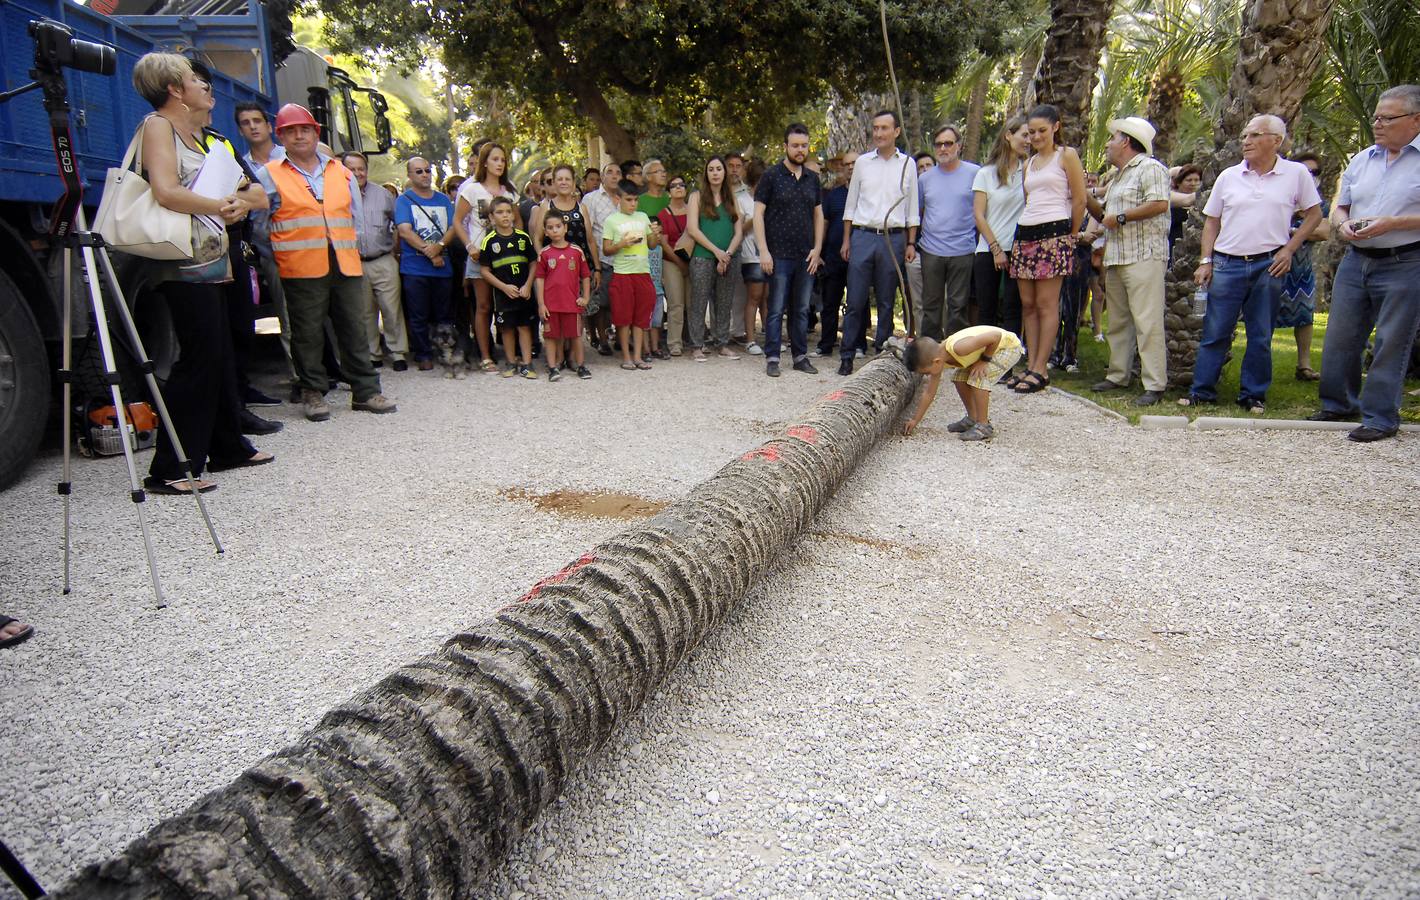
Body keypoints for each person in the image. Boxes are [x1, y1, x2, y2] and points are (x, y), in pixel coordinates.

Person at [134, 53, 272, 494]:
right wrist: (220, 205)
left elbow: (252, 193)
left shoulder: (205, 138)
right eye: (197, 80)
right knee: (198, 358)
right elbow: (166, 190)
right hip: (181, 263)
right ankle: (171, 467)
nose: (207, 88)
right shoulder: (158, 126)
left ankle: (226, 445)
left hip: (213, 260)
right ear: (175, 89)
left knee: (218, 354)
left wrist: (236, 202)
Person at [254, 104, 395, 421]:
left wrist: (352, 252)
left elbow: (355, 221)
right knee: (307, 333)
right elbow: (260, 224)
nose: (299, 135)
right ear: (281, 137)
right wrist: (280, 256)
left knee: (354, 328)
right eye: (291, 131)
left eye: (304, 129)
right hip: (299, 264)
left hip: (344, 262)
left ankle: (366, 391)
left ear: (316, 133)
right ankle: (313, 392)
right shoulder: (270, 174)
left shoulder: (340, 171)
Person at [1181, 114, 1322, 413]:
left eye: (1255, 135)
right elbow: (1211, 222)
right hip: (1227, 263)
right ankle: (1201, 391)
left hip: (1268, 264)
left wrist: (1289, 250)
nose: (1246, 141)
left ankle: (1253, 395)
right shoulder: (1229, 176)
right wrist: (1206, 261)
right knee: (1215, 330)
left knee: (1260, 333)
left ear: (1276, 141)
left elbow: (1314, 215)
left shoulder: (1296, 174)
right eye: (1245, 135)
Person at [1311, 84, 1420, 442]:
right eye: (1376, 116)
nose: (1378, 123)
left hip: (1405, 261)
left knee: (1391, 340)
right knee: (1341, 335)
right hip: (1357, 260)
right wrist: (1342, 222)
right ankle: (1338, 404)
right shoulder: (1362, 159)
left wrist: (1393, 223)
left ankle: (1380, 416)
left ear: (1415, 120)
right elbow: (1341, 204)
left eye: (1387, 118)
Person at [1083, 117, 1172, 406]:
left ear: (1126, 141)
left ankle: (1155, 383)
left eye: (1113, 138)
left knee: (1147, 319)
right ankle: (1118, 374)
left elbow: (1160, 203)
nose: (1108, 144)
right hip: (1118, 256)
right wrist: (1084, 196)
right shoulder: (1119, 176)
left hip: (1145, 254)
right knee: (1118, 320)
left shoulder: (1151, 168)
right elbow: (1104, 216)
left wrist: (1121, 217)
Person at [1009, 104, 1087, 394]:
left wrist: (1072, 234)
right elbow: (1029, 199)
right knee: (1027, 305)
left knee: (1046, 303)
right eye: (1031, 132)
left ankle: (1042, 368)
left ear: (1055, 127)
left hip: (1055, 233)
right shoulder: (1028, 164)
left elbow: (1079, 199)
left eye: (1042, 130)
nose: (1037, 137)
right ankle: (1031, 364)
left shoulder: (1066, 156)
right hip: (1026, 232)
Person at [839, 110, 921, 375]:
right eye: (876, 128)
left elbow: (912, 208)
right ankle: (847, 355)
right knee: (855, 300)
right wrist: (847, 239)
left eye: (885, 128)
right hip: (863, 236)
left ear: (896, 131)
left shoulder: (908, 164)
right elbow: (851, 204)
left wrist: (910, 243)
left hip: (893, 238)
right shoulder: (862, 163)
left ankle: (882, 358)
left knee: (886, 301)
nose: (879, 133)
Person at [754, 122, 826, 377]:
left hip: (805, 255)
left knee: (801, 309)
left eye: (803, 145)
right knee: (775, 308)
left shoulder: (812, 179)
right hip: (778, 255)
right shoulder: (771, 177)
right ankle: (772, 357)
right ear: (785, 146)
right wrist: (763, 250)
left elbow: (818, 215)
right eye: (794, 145)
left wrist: (817, 249)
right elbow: (758, 214)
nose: (799, 150)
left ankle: (800, 356)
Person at [235, 101, 297, 385]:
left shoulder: (292, 156)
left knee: (322, 316)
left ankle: (333, 369)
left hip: (307, 249)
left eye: (257, 121)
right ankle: (301, 378)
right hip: (271, 253)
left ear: (269, 126)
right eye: (246, 123)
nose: (253, 126)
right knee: (287, 319)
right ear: (240, 130)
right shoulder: (240, 166)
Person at [453, 142, 520, 371]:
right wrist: (470, 245)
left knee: (508, 304)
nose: (499, 164)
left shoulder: (510, 190)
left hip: (507, 255)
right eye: (495, 159)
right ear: (484, 162)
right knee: (483, 306)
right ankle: (485, 356)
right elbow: (457, 221)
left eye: (502, 160)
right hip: (480, 255)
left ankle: (512, 354)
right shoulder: (471, 189)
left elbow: (517, 220)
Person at [901, 326, 1024, 442]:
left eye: (927, 372)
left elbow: (995, 336)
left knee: (978, 378)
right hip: (991, 349)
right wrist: (915, 420)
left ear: (936, 362)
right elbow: (929, 393)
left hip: (1008, 348)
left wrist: (984, 360)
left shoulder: (959, 348)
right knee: (959, 377)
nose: (928, 376)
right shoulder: (939, 358)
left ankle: (983, 425)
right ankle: (973, 418)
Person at [345, 151, 408, 372]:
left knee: (391, 308)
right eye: (351, 169)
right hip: (354, 261)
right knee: (365, 311)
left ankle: (398, 352)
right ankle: (373, 354)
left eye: (361, 168)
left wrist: (395, 250)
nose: (357, 173)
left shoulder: (383, 194)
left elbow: (398, 223)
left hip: (383, 259)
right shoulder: (338, 195)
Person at [917, 125, 980, 340]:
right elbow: (920, 212)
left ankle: (955, 355)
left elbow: (981, 210)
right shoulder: (924, 179)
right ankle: (929, 355)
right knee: (931, 306)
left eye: (948, 143)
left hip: (963, 250)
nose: (943, 148)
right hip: (931, 250)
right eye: (939, 144)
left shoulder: (975, 173)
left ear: (959, 146)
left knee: (958, 307)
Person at [394, 156, 457, 371]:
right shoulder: (404, 200)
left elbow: (452, 228)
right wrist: (430, 252)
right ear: (410, 175)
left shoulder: (442, 200)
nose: (424, 175)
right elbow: (404, 231)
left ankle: (445, 351)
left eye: (427, 170)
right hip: (415, 268)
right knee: (418, 314)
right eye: (419, 171)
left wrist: (439, 246)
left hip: (442, 268)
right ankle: (423, 354)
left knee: (444, 315)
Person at [973, 116, 1029, 351]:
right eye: (1024, 135)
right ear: (1008, 135)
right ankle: (983, 360)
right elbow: (979, 215)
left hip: (1019, 248)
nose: (1029, 140)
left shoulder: (1029, 171)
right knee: (986, 308)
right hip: (988, 249)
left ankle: (1008, 360)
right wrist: (996, 249)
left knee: (1013, 309)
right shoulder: (985, 174)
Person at [1278, 152, 1331, 381]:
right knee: (1264, 314)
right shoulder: (1279, 196)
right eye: (1305, 170)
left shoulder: (1318, 205)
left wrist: (1292, 231)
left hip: (1302, 268)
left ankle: (1304, 365)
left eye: (1314, 172)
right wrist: (1302, 229)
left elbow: (1323, 232)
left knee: (1304, 315)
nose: (1310, 175)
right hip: (1274, 265)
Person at [686, 156, 744, 362]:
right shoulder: (696, 197)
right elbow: (692, 229)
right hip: (703, 257)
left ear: (724, 172)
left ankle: (722, 343)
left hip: (729, 258)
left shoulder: (732, 198)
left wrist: (727, 254)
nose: (715, 173)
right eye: (711, 169)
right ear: (706, 173)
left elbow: (738, 231)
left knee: (724, 301)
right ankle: (696, 345)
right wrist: (717, 252)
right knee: (699, 301)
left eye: (719, 169)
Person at [480, 197, 538, 379]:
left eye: (508, 211)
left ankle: (527, 363)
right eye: (499, 212)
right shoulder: (489, 241)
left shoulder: (523, 237)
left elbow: (533, 263)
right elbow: (484, 270)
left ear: (513, 214)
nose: (505, 215)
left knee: (524, 327)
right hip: (503, 295)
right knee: (506, 328)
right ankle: (511, 362)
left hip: (524, 293)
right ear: (491, 217)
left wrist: (528, 285)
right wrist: (503, 287)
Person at [602, 180, 657, 370]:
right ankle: (626, 357)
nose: (633, 204)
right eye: (628, 200)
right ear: (618, 199)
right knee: (623, 319)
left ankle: (638, 356)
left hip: (642, 272)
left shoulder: (643, 217)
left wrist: (655, 233)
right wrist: (621, 244)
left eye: (635, 200)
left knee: (641, 318)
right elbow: (606, 249)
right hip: (622, 273)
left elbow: (651, 244)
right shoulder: (611, 220)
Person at [535, 209, 593, 381]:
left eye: (558, 226)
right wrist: (541, 304)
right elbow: (539, 279)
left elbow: (585, 276)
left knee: (575, 335)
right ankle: (553, 367)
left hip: (572, 303)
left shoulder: (576, 251)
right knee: (550, 337)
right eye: (550, 228)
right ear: (545, 231)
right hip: (551, 305)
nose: (555, 230)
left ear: (565, 228)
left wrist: (586, 297)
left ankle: (581, 365)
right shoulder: (544, 254)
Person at [814, 151, 856, 358]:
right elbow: (825, 223)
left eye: (854, 163)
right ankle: (826, 345)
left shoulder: (869, 195)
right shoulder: (833, 195)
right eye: (846, 164)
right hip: (832, 256)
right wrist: (818, 252)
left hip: (859, 256)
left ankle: (856, 346)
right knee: (829, 302)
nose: (849, 167)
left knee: (858, 303)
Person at [584, 162, 623, 355]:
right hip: (602, 258)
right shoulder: (591, 199)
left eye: (618, 173)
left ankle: (621, 338)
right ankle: (601, 339)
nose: (614, 176)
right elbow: (589, 232)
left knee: (622, 303)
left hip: (625, 260)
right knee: (602, 303)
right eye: (610, 172)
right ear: (603, 176)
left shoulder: (625, 198)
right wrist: (595, 264)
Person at [656, 174, 692, 356]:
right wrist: (679, 262)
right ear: (669, 192)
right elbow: (663, 243)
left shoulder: (694, 211)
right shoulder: (664, 214)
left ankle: (695, 340)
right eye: (674, 185)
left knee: (693, 303)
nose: (678, 187)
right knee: (676, 303)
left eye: (682, 185)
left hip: (693, 261)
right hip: (671, 262)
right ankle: (674, 343)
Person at [737, 159, 769, 356]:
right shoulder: (742, 200)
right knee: (754, 297)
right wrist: (755, 218)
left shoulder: (771, 198)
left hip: (770, 254)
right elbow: (738, 230)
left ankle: (770, 337)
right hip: (751, 256)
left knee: (768, 298)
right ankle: (750, 339)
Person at [1168, 164, 1203, 262]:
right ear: (1179, 182)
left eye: (1196, 180)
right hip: (1173, 246)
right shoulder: (1170, 198)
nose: (1193, 183)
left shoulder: (1202, 204)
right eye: (1189, 180)